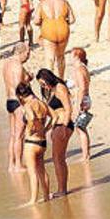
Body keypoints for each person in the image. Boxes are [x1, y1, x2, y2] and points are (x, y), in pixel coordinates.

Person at [36, 68, 74, 197]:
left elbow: (69, 108)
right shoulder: (51, 90)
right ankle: (61, 189)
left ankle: (62, 190)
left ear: (48, 78)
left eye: (43, 83)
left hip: (64, 124)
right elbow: (53, 115)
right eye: (41, 84)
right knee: (57, 159)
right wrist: (45, 129)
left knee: (58, 159)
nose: (43, 86)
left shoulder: (59, 88)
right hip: (57, 125)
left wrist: (63, 127)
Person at [16, 83, 51, 205]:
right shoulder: (41, 103)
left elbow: (31, 117)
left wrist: (30, 129)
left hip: (31, 142)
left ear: (20, 96)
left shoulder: (28, 105)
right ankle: (46, 196)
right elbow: (54, 117)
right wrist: (46, 129)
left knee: (32, 172)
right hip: (42, 141)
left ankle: (33, 200)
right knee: (42, 171)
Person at [34, 0, 75, 77]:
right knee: (60, 57)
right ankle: (61, 79)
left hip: (48, 31)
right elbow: (72, 20)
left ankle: (50, 82)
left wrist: (42, 22)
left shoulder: (42, 4)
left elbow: (36, 21)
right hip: (63, 30)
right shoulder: (64, 2)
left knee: (50, 59)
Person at [3, 42, 32, 173]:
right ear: (21, 52)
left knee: (13, 135)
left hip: (9, 101)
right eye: (27, 53)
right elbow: (19, 88)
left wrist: (27, 78)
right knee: (19, 136)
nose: (28, 56)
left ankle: (11, 165)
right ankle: (18, 164)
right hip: (18, 102)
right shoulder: (18, 66)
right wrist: (24, 106)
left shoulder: (7, 63)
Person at [67, 48, 92, 161]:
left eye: (71, 55)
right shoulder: (83, 68)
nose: (69, 58)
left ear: (76, 57)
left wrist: (78, 106)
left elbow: (81, 88)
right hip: (85, 98)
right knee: (81, 127)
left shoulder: (79, 69)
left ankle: (85, 155)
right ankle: (86, 153)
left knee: (80, 128)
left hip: (82, 99)